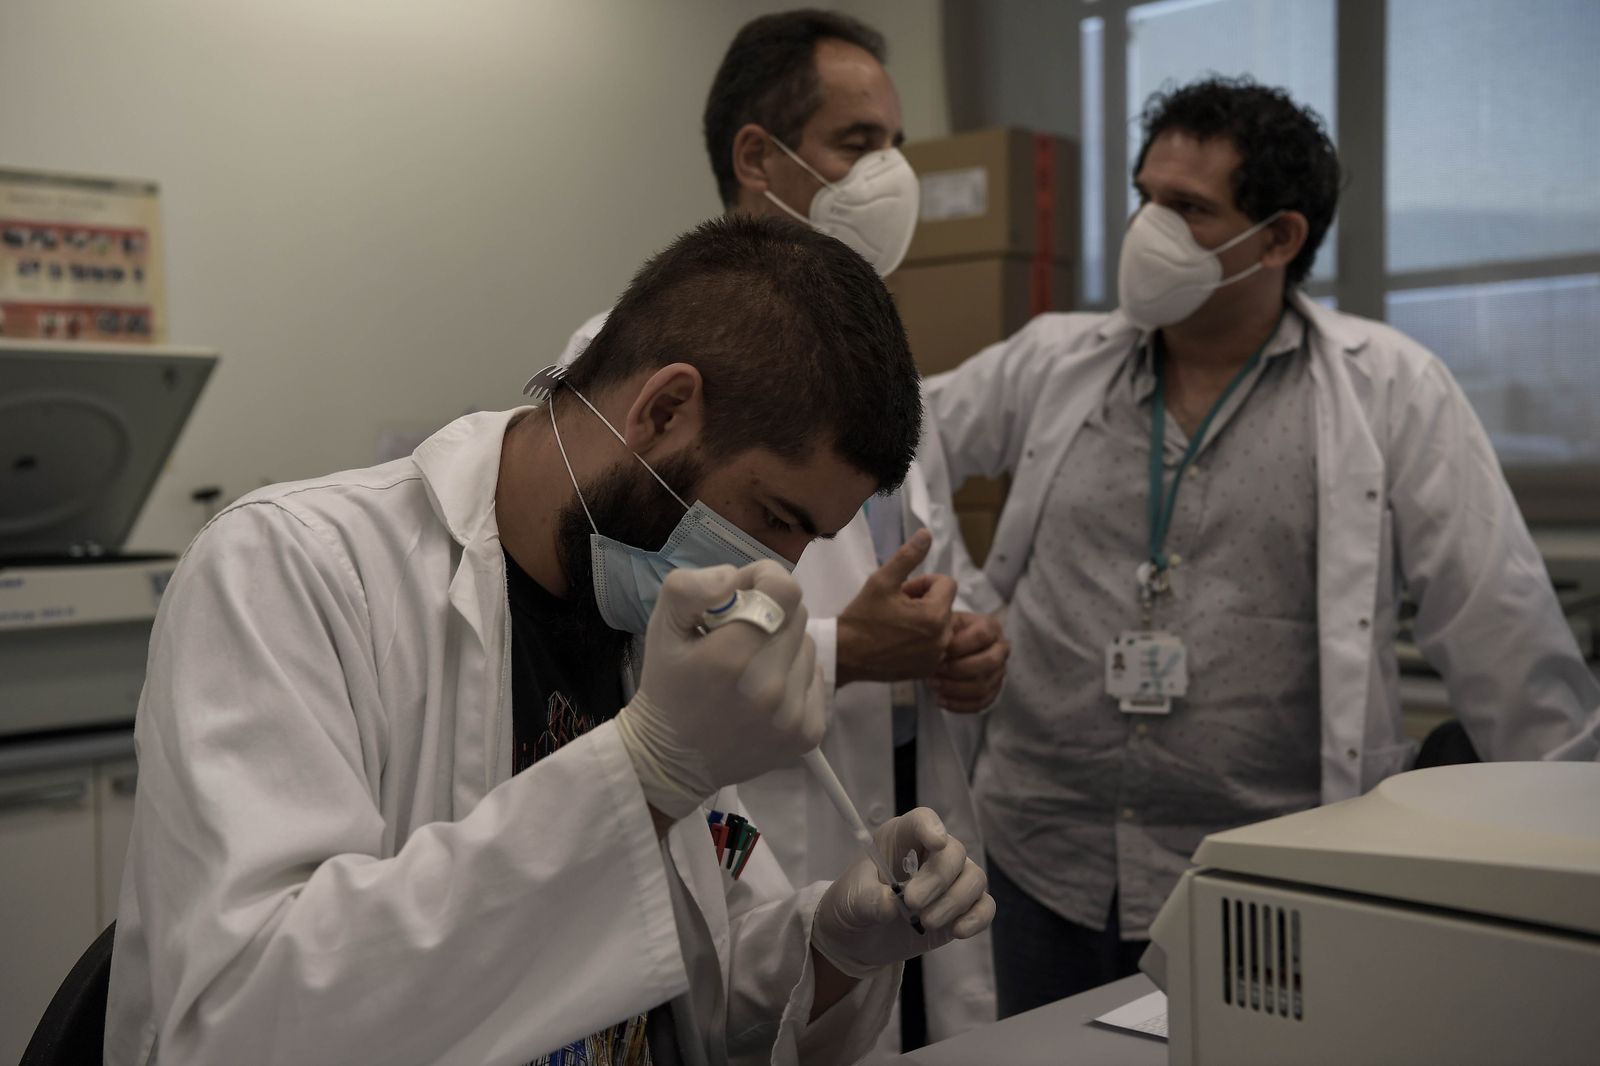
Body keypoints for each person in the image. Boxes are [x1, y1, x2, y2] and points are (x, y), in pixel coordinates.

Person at [105, 216, 995, 1066]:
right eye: (773, 517)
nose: (781, 570)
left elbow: (693, 1001)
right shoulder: (293, 569)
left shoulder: (645, 611)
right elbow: (246, 1026)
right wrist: (644, 774)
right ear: (665, 409)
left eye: (808, 540)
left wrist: (833, 946)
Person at [923, 76, 1600, 1017]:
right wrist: (955, 604)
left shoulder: (1392, 388)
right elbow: (895, 441)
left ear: (1279, 239)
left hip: (1257, 871)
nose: (1148, 230)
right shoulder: (1055, 360)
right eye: (1145, 198)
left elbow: (1502, 629)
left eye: (1189, 208)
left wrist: (1574, 870)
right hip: (1037, 855)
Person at [558, 10, 1003, 1051]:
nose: (890, 173)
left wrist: (962, 641)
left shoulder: (879, 377)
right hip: (757, 830)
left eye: (895, 143)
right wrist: (851, 650)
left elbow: (926, 568)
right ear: (757, 157)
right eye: (857, 142)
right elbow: (620, 623)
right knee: (772, 1007)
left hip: (907, 807)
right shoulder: (632, 362)